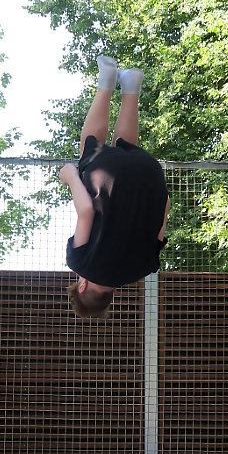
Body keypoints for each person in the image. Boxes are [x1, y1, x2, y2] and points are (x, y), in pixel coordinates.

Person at [59, 56, 170, 321]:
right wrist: (70, 176)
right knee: (90, 147)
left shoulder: (144, 268)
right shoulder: (80, 263)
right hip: (106, 174)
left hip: (150, 173)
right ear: (82, 286)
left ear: (112, 293)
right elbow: (86, 211)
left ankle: (131, 85)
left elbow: (164, 208)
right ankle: (106, 82)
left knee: (126, 151)